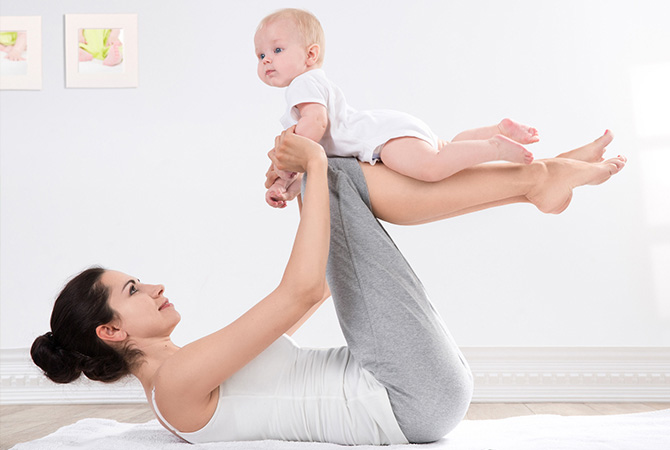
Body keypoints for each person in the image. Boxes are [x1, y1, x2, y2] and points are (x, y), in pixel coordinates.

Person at [31, 128, 626, 445]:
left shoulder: (190, 368)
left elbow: (311, 294)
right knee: (336, 168)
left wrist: (307, 190)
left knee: (336, 175)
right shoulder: (176, 384)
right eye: (133, 289)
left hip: (411, 388)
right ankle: (532, 181)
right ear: (112, 330)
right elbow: (296, 292)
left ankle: (536, 177)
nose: (154, 285)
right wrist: (312, 171)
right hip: (407, 396)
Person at [256, 8, 539, 208]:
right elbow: (309, 164)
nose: (267, 60)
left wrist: (287, 156)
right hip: (391, 127)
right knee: (445, 148)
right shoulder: (312, 84)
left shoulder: (302, 85)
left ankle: (495, 147)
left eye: (277, 50)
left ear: (310, 54)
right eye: (261, 54)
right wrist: (284, 187)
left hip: (383, 139)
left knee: (431, 168)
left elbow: (315, 125)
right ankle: (498, 130)